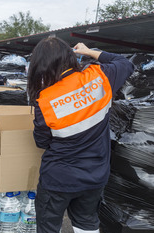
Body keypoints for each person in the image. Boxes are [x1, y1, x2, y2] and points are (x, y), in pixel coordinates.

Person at [27, 37, 134, 233]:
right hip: (94, 177)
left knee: (48, 227)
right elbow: (125, 63)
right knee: (86, 223)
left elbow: (41, 141)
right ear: (70, 57)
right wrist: (89, 51)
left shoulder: (45, 100)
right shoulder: (99, 77)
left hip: (58, 179)